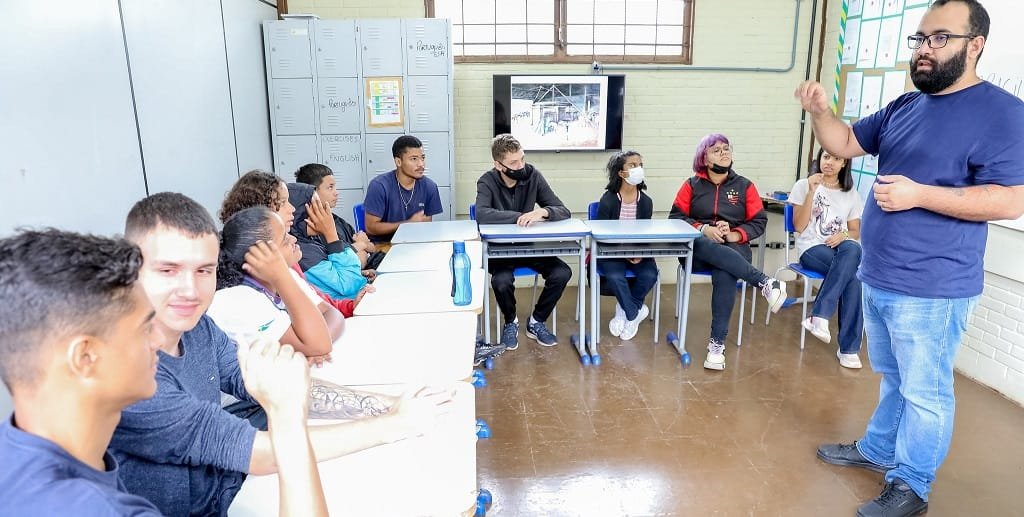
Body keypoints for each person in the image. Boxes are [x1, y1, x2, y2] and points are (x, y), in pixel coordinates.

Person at [795, 1, 1024, 515]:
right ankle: (878, 450)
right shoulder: (905, 106)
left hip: (935, 286)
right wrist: (818, 111)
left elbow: (1011, 199)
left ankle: (912, 485)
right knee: (895, 379)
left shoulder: (1003, 113)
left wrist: (921, 195)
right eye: (919, 39)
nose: (925, 49)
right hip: (879, 275)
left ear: (975, 45)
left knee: (926, 392)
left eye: (940, 38)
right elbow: (846, 140)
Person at [110, 192, 453, 516]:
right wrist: (393, 425)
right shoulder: (129, 372)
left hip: (227, 489)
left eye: (204, 270)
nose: (190, 289)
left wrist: (389, 403)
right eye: (168, 270)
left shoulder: (200, 330)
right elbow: (260, 454)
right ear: (132, 268)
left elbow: (274, 386)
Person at [0, 230, 327, 517]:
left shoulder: (18, 454)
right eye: (144, 329)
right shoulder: (97, 509)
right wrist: (287, 421)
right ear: (85, 357)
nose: (159, 340)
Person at [668, 133, 787, 371]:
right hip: (699, 247)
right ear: (704, 158)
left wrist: (734, 233)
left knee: (726, 273)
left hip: (734, 247)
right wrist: (704, 228)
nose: (724, 153)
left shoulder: (745, 186)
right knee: (705, 245)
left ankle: (717, 345)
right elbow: (676, 217)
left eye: (726, 148)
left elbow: (758, 221)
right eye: (716, 150)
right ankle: (764, 282)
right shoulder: (691, 185)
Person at [221, 171, 372, 317]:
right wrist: (331, 234)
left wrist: (351, 305)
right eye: (282, 203)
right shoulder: (290, 252)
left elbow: (322, 303)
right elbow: (347, 286)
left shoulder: (296, 249)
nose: (292, 209)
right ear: (261, 211)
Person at [209, 207, 342, 364]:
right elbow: (320, 343)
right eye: (285, 239)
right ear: (260, 255)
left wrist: (314, 349)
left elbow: (332, 314)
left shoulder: (285, 275)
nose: (294, 239)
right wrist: (316, 346)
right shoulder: (239, 300)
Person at [475, 133, 571, 349]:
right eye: (513, 162)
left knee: (562, 272)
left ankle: (536, 322)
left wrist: (543, 213)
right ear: (499, 165)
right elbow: (481, 214)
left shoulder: (533, 175)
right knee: (500, 281)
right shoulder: (486, 181)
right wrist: (520, 216)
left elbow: (563, 210)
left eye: (522, 159)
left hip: (530, 246)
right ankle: (511, 322)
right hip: (500, 250)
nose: (521, 166)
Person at [788, 147, 865, 369]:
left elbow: (854, 232)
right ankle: (849, 348)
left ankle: (819, 317)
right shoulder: (803, 185)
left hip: (840, 252)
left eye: (836, 158)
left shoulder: (850, 193)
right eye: (826, 156)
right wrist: (812, 191)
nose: (829, 162)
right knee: (854, 276)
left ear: (844, 164)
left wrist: (842, 235)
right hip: (811, 248)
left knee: (853, 251)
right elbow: (798, 226)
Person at [594, 150, 659, 341]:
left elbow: (645, 233)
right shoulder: (608, 200)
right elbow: (601, 235)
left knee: (650, 274)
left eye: (640, 164)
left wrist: (639, 252)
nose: (638, 168)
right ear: (621, 173)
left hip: (638, 251)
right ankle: (634, 314)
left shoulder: (646, 202)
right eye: (632, 165)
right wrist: (623, 253)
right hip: (612, 252)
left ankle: (624, 310)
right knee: (614, 275)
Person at [295, 163, 387, 270]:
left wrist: (362, 246)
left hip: (371, 264)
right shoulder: (312, 230)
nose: (336, 193)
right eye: (330, 188)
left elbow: (370, 247)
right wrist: (361, 245)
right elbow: (349, 263)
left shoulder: (337, 220)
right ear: (312, 192)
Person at [288, 183, 371, 300]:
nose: (325, 213)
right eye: (317, 207)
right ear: (298, 216)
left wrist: (361, 275)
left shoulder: (309, 240)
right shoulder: (302, 252)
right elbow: (350, 286)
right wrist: (331, 234)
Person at [363, 135, 444, 243]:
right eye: (414, 159)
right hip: (383, 246)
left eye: (422, 158)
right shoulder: (379, 186)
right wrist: (407, 224)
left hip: (414, 244)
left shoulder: (430, 187)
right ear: (398, 162)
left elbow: (425, 226)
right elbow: (371, 228)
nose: (421, 164)